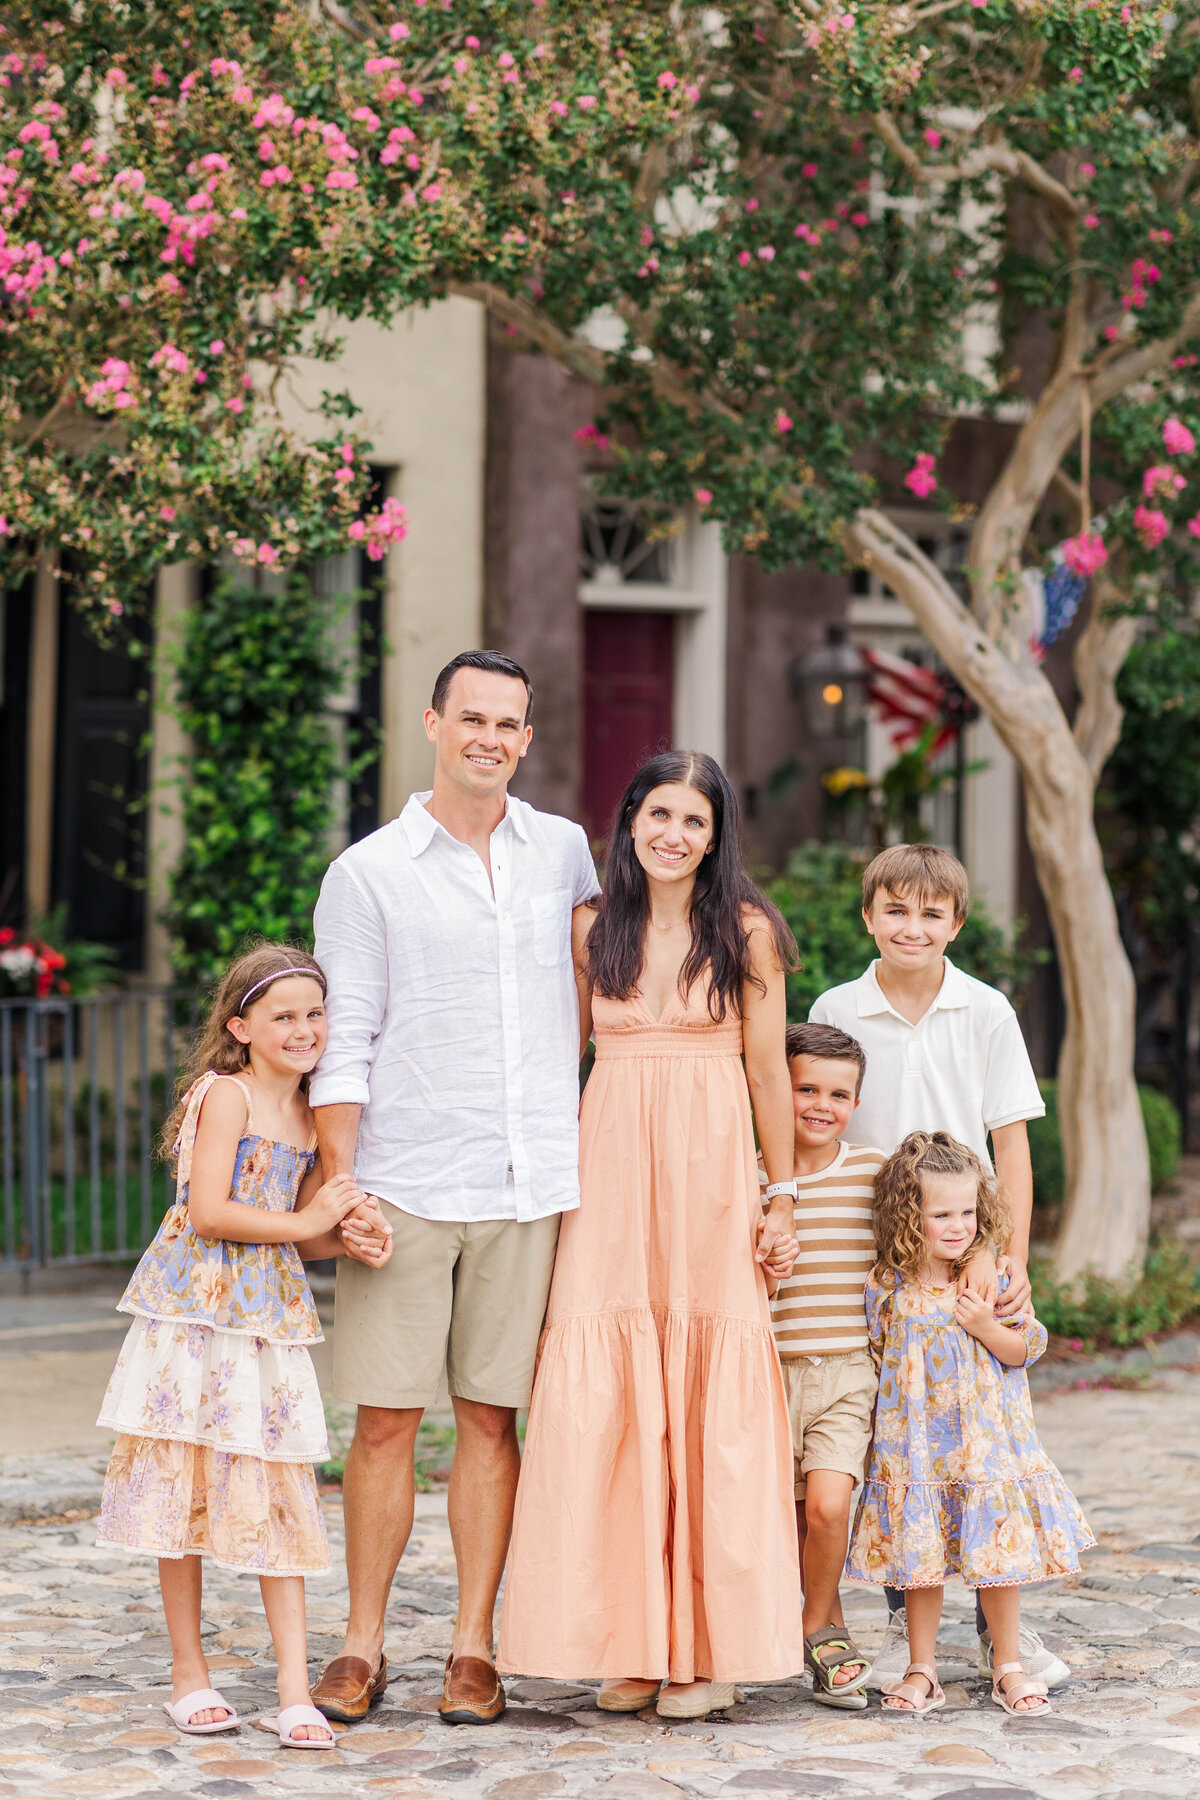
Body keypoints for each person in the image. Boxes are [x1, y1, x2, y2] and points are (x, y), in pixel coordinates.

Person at [308, 650, 599, 1729]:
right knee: (385, 1423)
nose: (489, 737)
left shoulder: (564, 853)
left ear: (526, 738)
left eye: (508, 724)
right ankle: (361, 1643)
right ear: (434, 722)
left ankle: (474, 1646)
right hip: (406, 1184)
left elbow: (601, 987)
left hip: (529, 1186)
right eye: (470, 717)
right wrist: (344, 1187)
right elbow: (346, 1042)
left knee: (491, 1421)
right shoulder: (370, 871)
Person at [499, 751, 805, 1722]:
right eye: (659, 813)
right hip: (613, 1166)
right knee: (614, 1396)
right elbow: (553, 1057)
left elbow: (767, 1075)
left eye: (695, 822)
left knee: (705, 1391)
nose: (674, 834)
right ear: (629, 819)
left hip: (713, 1172)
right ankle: (629, 1640)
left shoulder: (748, 932)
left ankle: (705, 1651)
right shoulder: (593, 927)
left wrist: (782, 1195)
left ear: (716, 840)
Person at [95, 946, 393, 1748]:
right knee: (181, 1483)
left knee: (280, 1485)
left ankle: (294, 1689)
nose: (304, 1029)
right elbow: (211, 1214)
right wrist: (306, 1223)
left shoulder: (312, 1114)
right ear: (240, 1027)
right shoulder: (223, 1095)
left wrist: (346, 1238)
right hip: (195, 1314)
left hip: (265, 1320)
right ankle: (188, 1674)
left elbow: (298, 1235)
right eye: (284, 1015)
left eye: (315, 1014)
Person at [808, 842, 1065, 1691]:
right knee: (897, 1435)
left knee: (983, 1435)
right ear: (868, 915)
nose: (910, 927)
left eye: (929, 914)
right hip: (870, 1250)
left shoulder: (985, 1011)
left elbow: (1010, 1143)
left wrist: (1010, 1252)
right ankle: (898, 1620)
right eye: (894, 910)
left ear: (955, 923)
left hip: (966, 1240)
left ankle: (1003, 1637)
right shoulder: (838, 1006)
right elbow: (818, 1124)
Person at [845, 1131, 1093, 1717]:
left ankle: (1007, 1663)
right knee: (920, 1562)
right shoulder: (887, 1286)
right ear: (910, 1216)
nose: (957, 1226)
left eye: (967, 1212)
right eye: (940, 1214)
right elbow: (878, 1357)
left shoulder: (993, 1281)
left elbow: (1025, 1349)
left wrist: (985, 1324)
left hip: (988, 1451)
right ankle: (921, 1669)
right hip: (918, 1453)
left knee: (997, 1556)